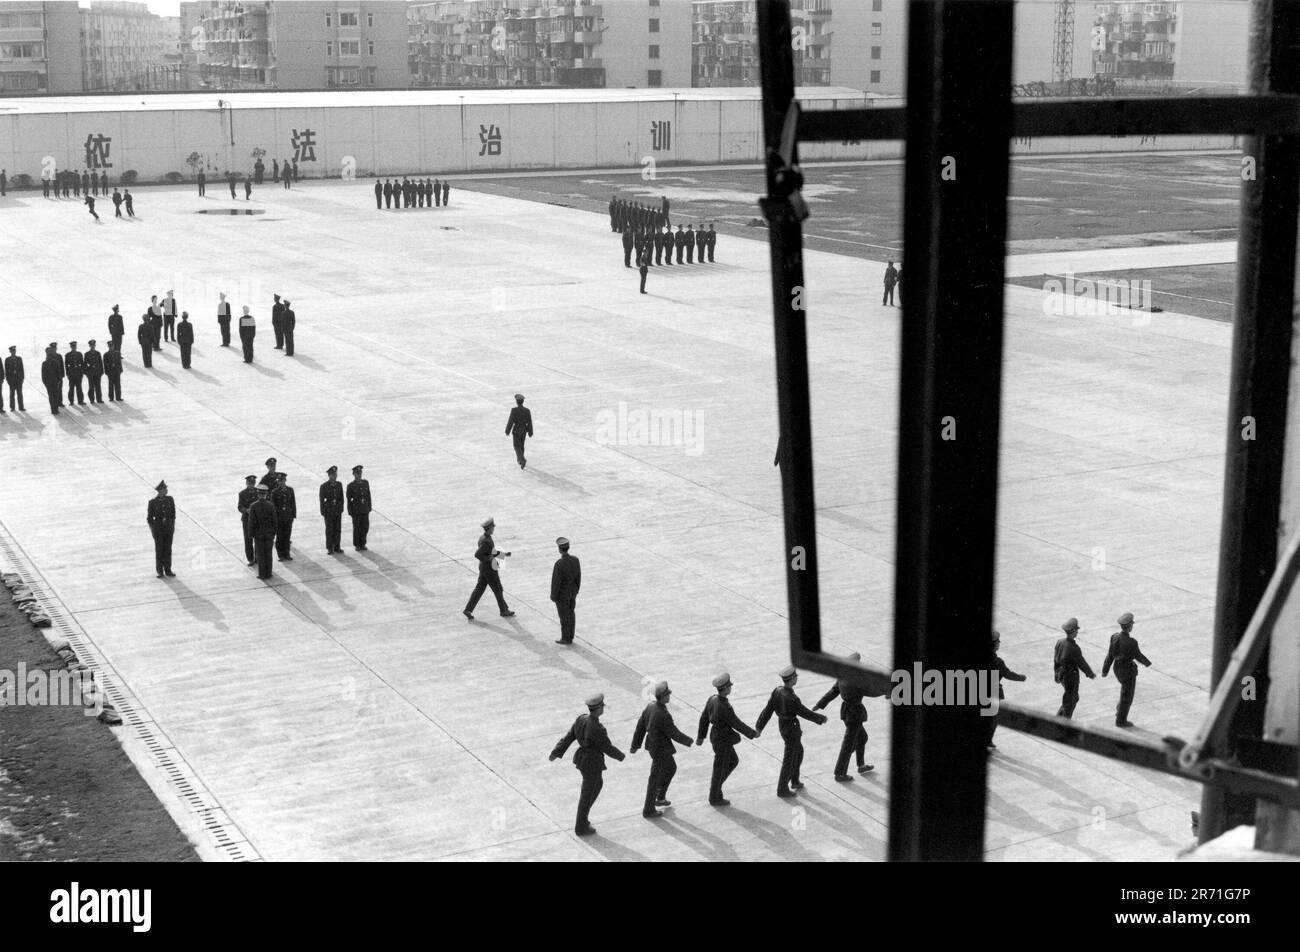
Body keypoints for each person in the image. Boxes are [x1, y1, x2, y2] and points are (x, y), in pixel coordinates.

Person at [549, 693, 625, 836]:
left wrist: (556, 752)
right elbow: (606, 747)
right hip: (592, 762)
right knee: (588, 793)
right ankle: (581, 825)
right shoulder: (597, 728)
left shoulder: (581, 719)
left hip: (583, 759)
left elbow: (569, 737)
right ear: (598, 709)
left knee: (596, 786)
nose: (603, 708)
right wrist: (621, 756)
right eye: (602, 705)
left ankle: (583, 818)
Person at [755, 665, 827, 798]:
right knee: (789, 759)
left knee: (798, 753)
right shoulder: (791, 698)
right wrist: (820, 718)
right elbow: (804, 712)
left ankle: (794, 780)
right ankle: (782, 789)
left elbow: (768, 710)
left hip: (783, 726)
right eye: (795, 677)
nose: (796, 679)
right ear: (792, 679)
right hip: (791, 728)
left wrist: (759, 726)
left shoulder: (777, 691)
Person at [629, 681, 692, 819]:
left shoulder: (650, 707)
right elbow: (673, 732)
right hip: (660, 749)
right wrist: (689, 741)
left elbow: (640, 727)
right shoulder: (662, 713)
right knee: (655, 778)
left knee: (670, 768)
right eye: (667, 694)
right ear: (662, 697)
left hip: (654, 746)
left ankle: (660, 796)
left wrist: (635, 745)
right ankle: (649, 809)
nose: (669, 695)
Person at [697, 672, 759, 806]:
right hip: (723, 740)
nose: (731, 687)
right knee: (720, 767)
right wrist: (752, 734)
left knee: (732, 761)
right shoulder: (724, 706)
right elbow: (736, 723)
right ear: (724, 688)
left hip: (716, 736)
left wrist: (701, 736)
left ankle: (716, 789)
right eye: (729, 686)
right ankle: (714, 795)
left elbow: (704, 717)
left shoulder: (712, 699)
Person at [813, 652, 873, 779]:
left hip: (847, 712)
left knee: (862, 738)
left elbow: (833, 691)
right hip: (854, 713)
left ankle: (861, 765)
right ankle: (840, 773)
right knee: (848, 744)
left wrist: (820, 704)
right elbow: (870, 690)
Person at [1102, 612, 1152, 728]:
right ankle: (1121, 721)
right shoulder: (1132, 642)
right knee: (1127, 697)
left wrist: (1105, 670)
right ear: (1130, 627)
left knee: (1124, 692)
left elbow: (1110, 655)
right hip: (1127, 671)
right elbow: (1138, 655)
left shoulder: (1114, 637)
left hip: (1117, 669)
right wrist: (1147, 663)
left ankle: (1119, 710)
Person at [462, 517, 513, 619]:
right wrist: (488, 559)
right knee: (498, 589)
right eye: (493, 527)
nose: (494, 528)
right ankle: (504, 610)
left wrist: (503, 555)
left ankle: (468, 610)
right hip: (489, 570)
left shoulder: (484, 538)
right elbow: (478, 554)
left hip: (484, 569)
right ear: (489, 528)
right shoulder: (486, 541)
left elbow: (491, 552)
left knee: (479, 590)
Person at [986, 631, 1027, 749]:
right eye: (998, 641)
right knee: (994, 718)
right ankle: (987, 740)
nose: (999, 643)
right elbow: (1008, 674)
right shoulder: (997, 662)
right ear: (994, 645)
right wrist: (1021, 677)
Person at [1053, 617, 1095, 719]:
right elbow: (1081, 663)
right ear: (1073, 631)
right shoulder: (1073, 648)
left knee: (1072, 698)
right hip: (1071, 677)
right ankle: (1064, 726)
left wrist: (1056, 674)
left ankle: (1058, 719)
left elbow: (1055, 660)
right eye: (1077, 630)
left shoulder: (1060, 642)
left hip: (1062, 675)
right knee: (1070, 702)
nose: (1077, 631)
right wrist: (1090, 674)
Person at [550, 537, 580, 645]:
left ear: (559, 549)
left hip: (562, 595)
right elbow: (578, 578)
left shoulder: (559, 564)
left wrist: (553, 595)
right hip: (572, 593)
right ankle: (571, 635)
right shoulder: (575, 560)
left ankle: (565, 638)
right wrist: (576, 590)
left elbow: (556, 581)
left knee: (564, 616)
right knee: (571, 613)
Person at [147, 481, 176, 578]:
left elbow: (173, 515)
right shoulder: (153, 502)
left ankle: (168, 570)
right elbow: (149, 518)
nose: (166, 490)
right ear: (160, 491)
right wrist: (153, 529)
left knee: (168, 550)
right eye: (165, 489)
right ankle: (160, 571)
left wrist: (172, 526)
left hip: (168, 529)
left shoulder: (170, 499)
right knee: (159, 550)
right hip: (158, 530)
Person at [248, 484, 278, 579]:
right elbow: (275, 521)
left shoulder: (253, 506)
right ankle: (269, 573)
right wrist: (273, 533)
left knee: (260, 555)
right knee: (268, 554)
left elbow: (251, 522)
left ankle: (262, 574)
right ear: (266, 494)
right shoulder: (270, 505)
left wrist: (251, 534)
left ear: (258, 494)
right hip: (269, 534)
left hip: (258, 534)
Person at [319, 466, 344, 555]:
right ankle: (330, 547)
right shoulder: (324, 486)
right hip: (329, 511)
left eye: (335, 474)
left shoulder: (339, 484)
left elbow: (341, 498)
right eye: (332, 474)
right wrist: (323, 511)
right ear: (329, 475)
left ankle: (337, 546)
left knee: (337, 529)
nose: (334, 476)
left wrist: (341, 508)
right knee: (329, 530)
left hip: (337, 510)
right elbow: (321, 500)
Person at [272, 473, 297, 561]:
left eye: (282, 481)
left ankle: (287, 553)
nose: (281, 483)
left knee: (287, 536)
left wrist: (293, 515)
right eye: (279, 481)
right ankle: (280, 554)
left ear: (285, 481)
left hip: (288, 517)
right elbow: (273, 506)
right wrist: (275, 518)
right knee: (279, 536)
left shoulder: (290, 490)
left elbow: (293, 503)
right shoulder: (275, 492)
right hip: (279, 517)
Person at [346, 464, 371, 550]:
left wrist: (369, 507)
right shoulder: (351, 486)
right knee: (357, 528)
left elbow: (368, 496)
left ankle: (363, 543)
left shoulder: (365, 483)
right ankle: (357, 544)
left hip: (365, 509)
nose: (359, 474)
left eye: (360, 473)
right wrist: (350, 511)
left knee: (365, 527)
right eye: (357, 473)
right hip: (356, 510)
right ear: (354, 474)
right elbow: (349, 500)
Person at [505, 393, 532, 468]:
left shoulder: (514, 410)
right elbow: (529, 422)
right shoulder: (527, 410)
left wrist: (507, 430)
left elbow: (511, 421)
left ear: (516, 402)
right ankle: (520, 460)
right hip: (524, 430)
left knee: (516, 446)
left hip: (517, 430)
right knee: (521, 445)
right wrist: (530, 432)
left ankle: (522, 459)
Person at [237, 475, 259, 566]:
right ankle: (250, 559)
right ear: (247, 483)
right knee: (248, 539)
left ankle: (258, 557)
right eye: (250, 483)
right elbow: (239, 506)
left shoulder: (258, 492)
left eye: (253, 483)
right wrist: (246, 510)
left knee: (258, 539)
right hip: (247, 519)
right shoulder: (242, 493)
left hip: (257, 519)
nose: (251, 485)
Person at [41, 347, 62, 415]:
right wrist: (45, 383)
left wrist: (59, 381)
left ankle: (56, 409)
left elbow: (58, 373)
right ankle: (53, 409)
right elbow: (43, 375)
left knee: (55, 396)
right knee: (51, 396)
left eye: (50, 353)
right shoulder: (44, 363)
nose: (49, 355)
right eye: (48, 354)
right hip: (49, 383)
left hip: (55, 382)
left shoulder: (55, 362)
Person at [64, 342, 85, 406]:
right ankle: (71, 401)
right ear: (71, 347)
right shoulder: (68, 355)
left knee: (79, 388)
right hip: (71, 374)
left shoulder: (79, 354)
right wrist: (68, 374)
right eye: (73, 346)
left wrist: (82, 372)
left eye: (75, 346)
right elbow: (66, 366)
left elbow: (82, 364)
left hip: (78, 374)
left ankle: (80, 401)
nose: (74, 347)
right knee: (71, 388)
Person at [5, 346, 24, 411]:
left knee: (20, 394)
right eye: (12, 351)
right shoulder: (7, 360)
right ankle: (12, 407)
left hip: (19, 379)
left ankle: (21, 407)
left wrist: (22, 378)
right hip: (11, 380)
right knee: (12, 394)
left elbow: (22, 369)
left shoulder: (19, 358)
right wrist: (8, 380)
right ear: (10, 352)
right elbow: (6, 371)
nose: (13, 352)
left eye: (14, 351)